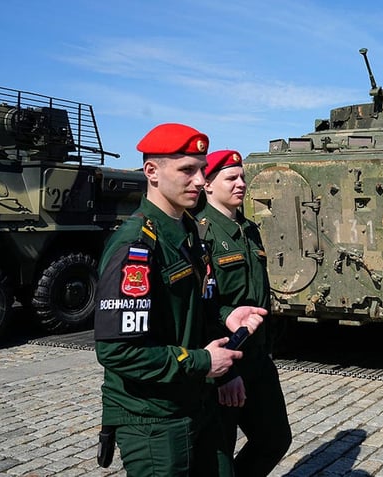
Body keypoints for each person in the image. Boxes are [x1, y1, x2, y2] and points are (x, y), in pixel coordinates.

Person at [94, 124, 267, 477]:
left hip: (193, 403)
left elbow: (191, 306)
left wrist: (227, 313)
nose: (201, 180)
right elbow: (117, 351)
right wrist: (203, 362)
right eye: (187, 169)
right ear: (152, 172)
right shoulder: (137, 246)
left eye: (202, 169)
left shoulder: (186, 231)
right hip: (153, 418)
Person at [196, 149, 292, 476]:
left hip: (258, 360)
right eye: (231, 178)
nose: (241, 184)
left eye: (242, 177)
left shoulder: (249, 230)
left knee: (275, 439)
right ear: (207, 185)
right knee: (218, 461)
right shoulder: (202, 233)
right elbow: (202, 308)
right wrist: (223, 374)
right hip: (225, 365)